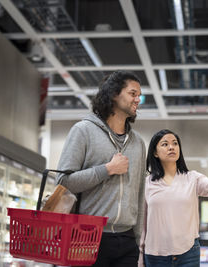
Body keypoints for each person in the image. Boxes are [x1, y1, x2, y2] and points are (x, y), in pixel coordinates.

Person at [56, 70, 146, 267]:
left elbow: (140, 193)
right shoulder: (83, 131)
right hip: (87, 236)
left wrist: (138, 241)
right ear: (114, 94)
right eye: (133, 94)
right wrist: (107, 169)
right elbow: (63, 182)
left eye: (139, 95)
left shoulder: (138, 143)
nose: (138, 99)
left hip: (127, 240)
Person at [139, 129, 208, 267]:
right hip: (155, 255)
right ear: (155, 152)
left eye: (175, 143)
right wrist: (140, 257)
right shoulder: (147, 183)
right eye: (165, 144)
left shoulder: (193, 178)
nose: (171, 147)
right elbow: (142, 224)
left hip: (188, 253)